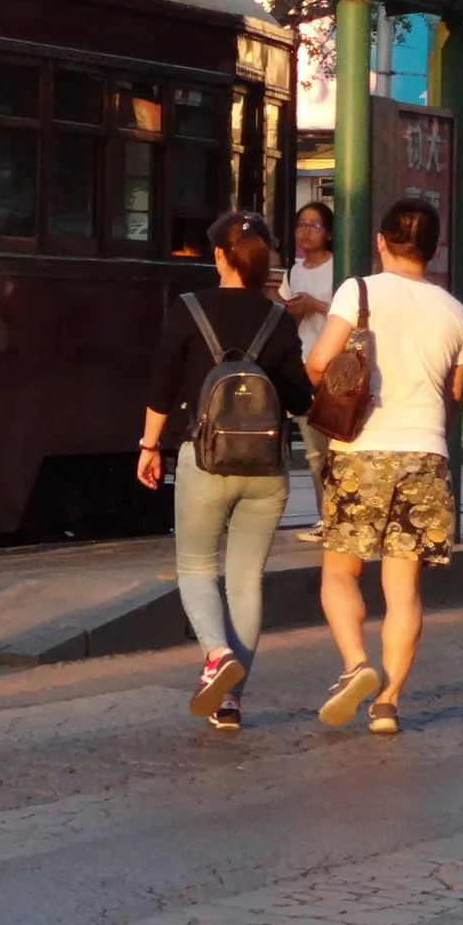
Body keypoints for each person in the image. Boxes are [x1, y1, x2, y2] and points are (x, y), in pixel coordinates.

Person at [136, 208, 312, 731]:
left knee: (194, 567)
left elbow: (163, 383)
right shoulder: (279, 318)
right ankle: (231, 699)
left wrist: (149, 445)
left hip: (205, 461)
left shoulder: (188, 308)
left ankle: (215, 655)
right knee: (246, 581)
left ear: (219, 255)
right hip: (267, 467)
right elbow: (300, 398)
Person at [306, 196, 463, 735]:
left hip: (361, 451)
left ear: (380, 242)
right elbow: (454, 396)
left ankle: (356, 665)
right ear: (435, 248)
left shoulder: (358, 290)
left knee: (340, 571)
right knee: (404, 591)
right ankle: (388, 705)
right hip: (425, 455)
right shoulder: (455, 312)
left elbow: (317, 362)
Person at [283, 200, 338, 537]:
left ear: (329, 233)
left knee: (338, 448)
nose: (305, 231)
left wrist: (316, 305)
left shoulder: (340, 267)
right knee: (316, 452)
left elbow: (351, 316)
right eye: (301, 224)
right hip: (305, 368)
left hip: (335, 369)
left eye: (314, 225)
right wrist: (295, 310)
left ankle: (343, 516)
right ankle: (327, 517)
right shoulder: (293, 271)